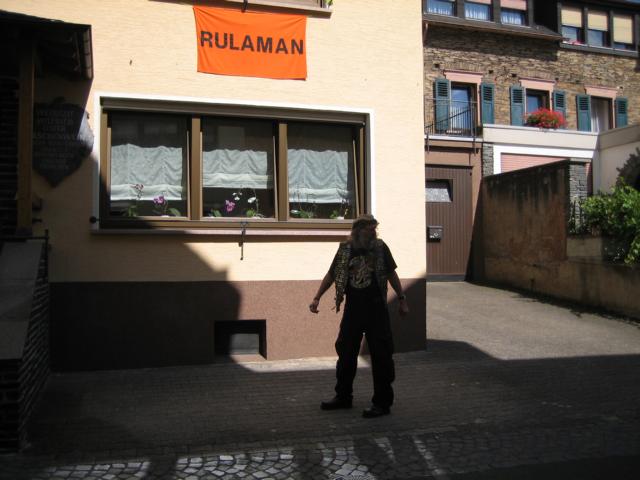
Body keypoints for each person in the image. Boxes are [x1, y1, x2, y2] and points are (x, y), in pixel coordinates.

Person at [309, 214, 409, 418]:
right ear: (357, 230)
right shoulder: (345, 249)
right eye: (369, 230)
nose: (373, 233)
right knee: (346, 353)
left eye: (374, 229)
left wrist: (402, 299)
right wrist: (317, 297)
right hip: (353, 310)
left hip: (376, 309)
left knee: (381, 356)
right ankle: (343, 396)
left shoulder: (380, 248)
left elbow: (391, 274)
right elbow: (331, 275)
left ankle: (382, 403)